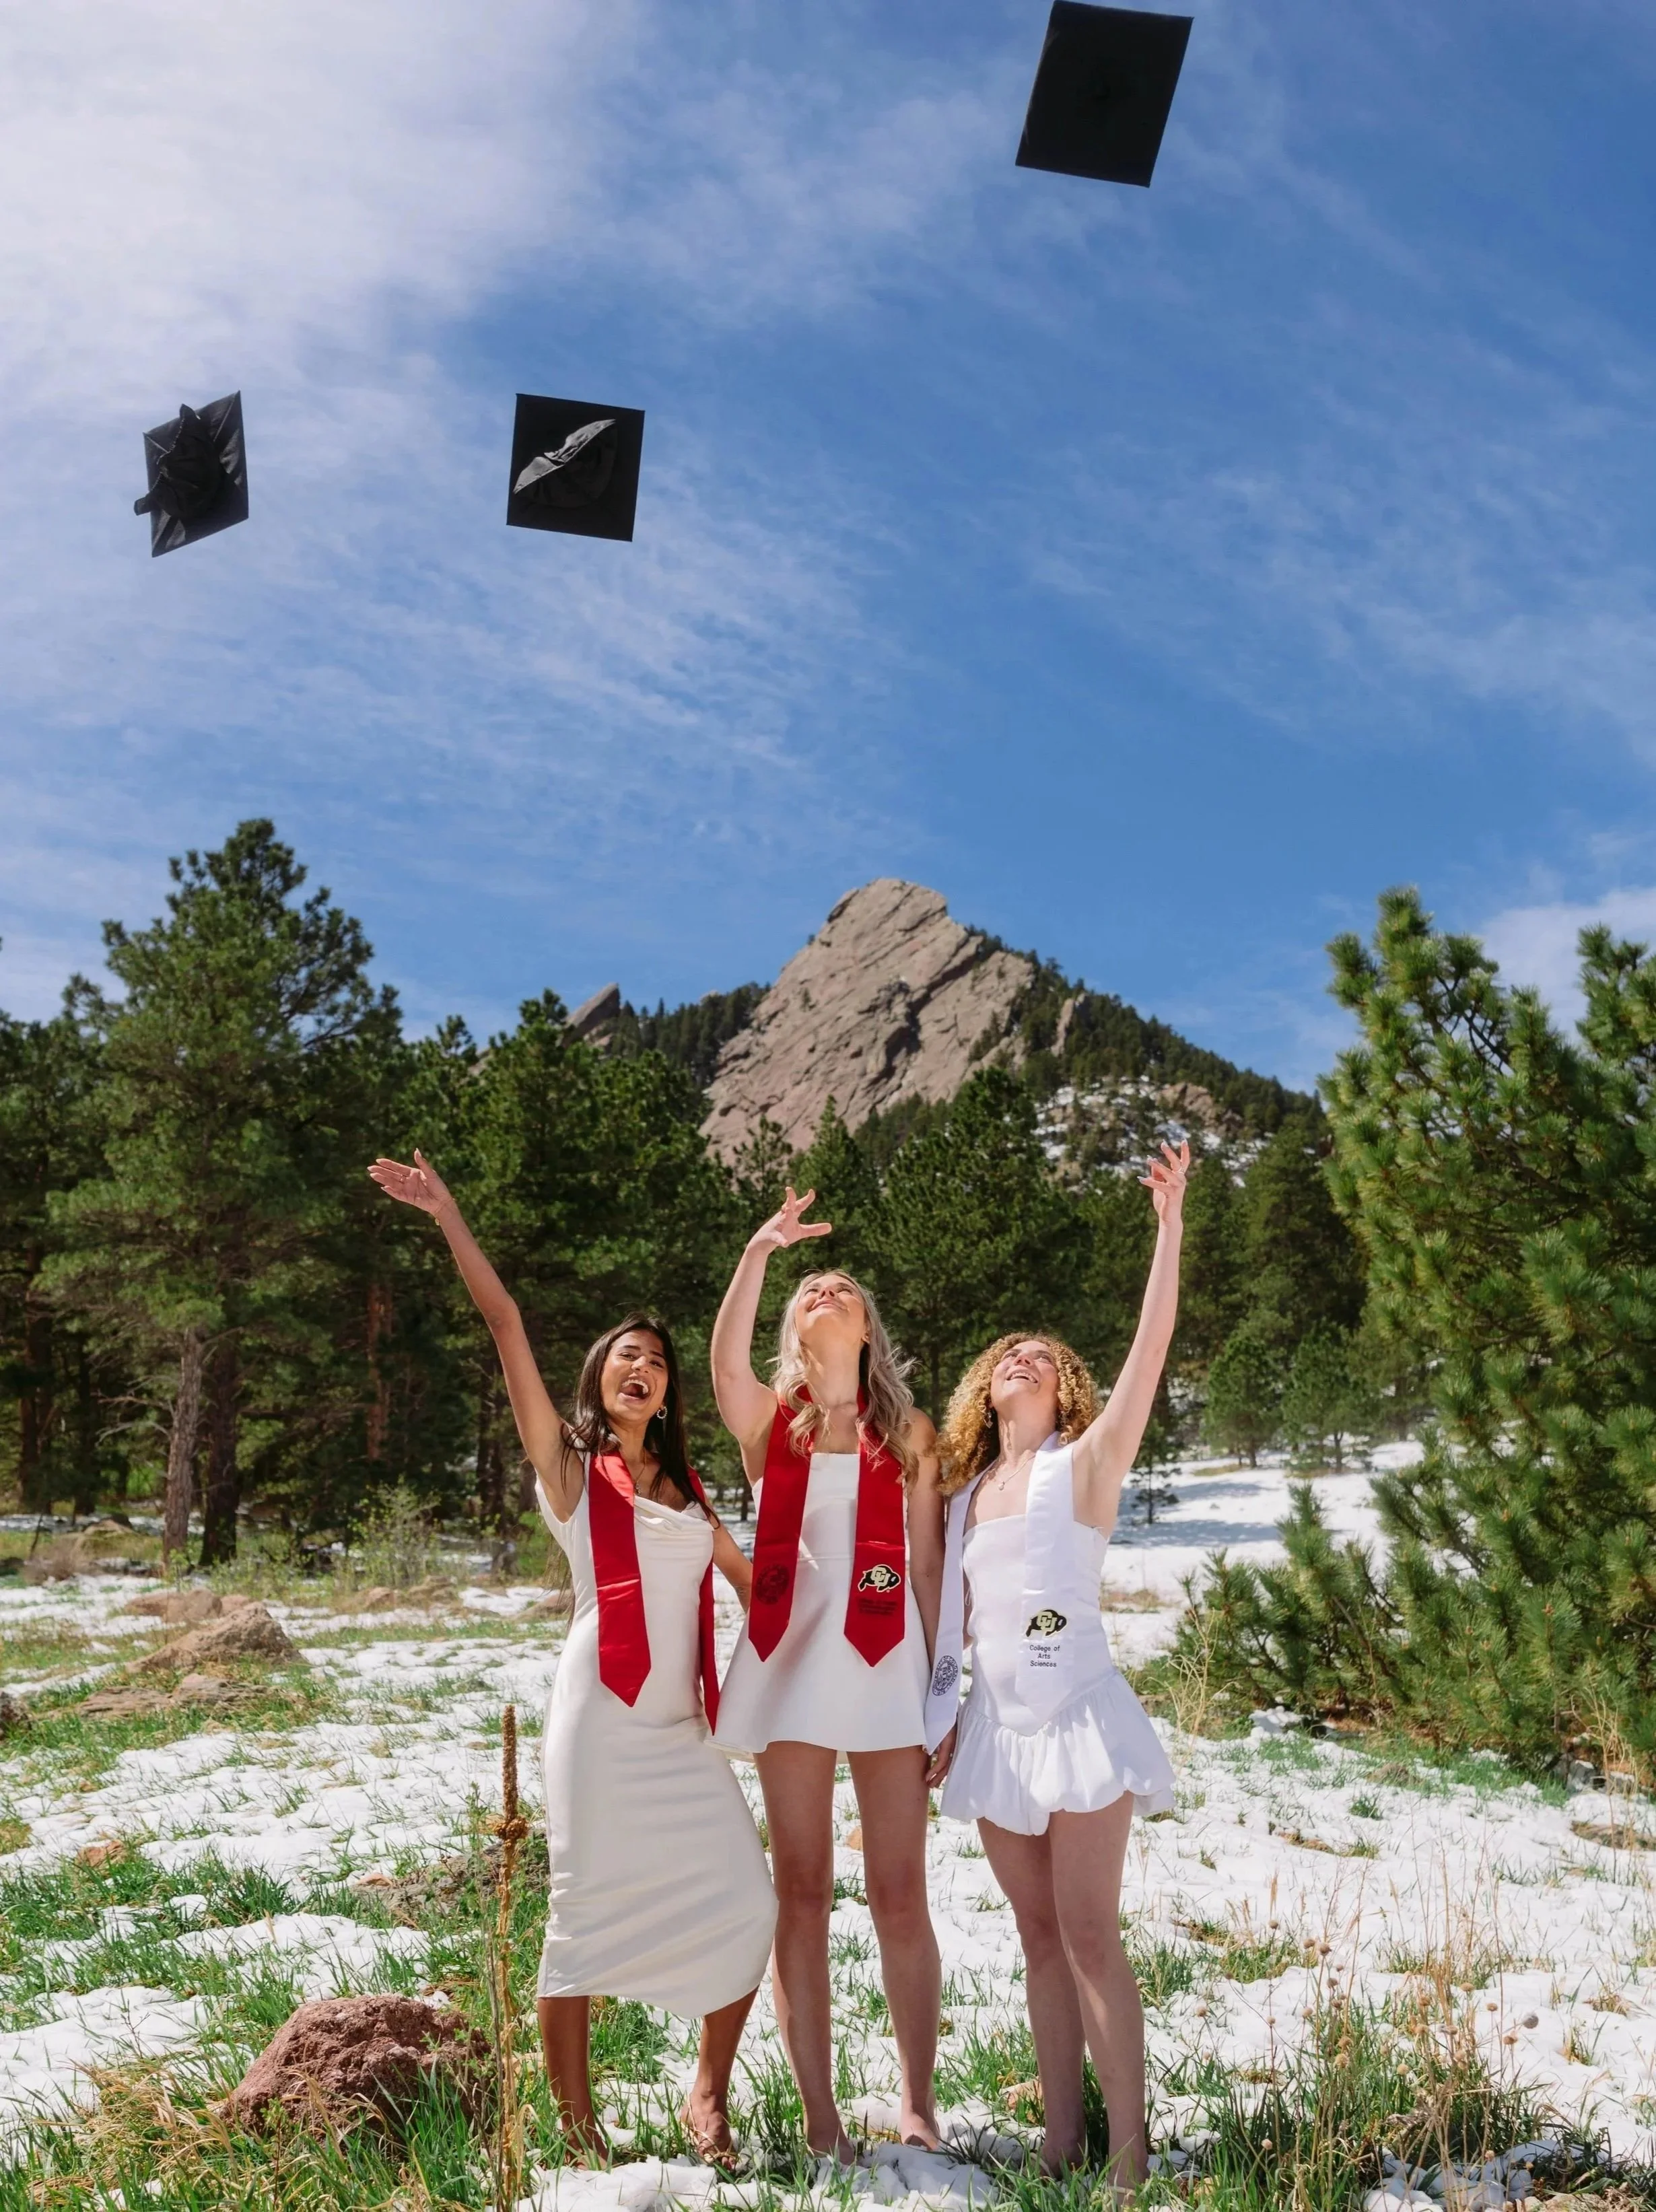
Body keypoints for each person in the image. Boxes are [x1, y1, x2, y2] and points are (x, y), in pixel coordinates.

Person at [368, 1149, 775, 2168]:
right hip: (597, 1716)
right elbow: (506, 1320)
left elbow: (758, 1586)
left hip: (681, 1727)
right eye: (626, 1356)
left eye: (658, 1361)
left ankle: (708, 2094)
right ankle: (576, 2123)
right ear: (599, 1375)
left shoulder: (689, 1490)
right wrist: (447, 1211)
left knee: (748, 1898)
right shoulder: (570, 1471)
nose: (643, 1368)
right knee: (583, 1908)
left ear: (669, 1388)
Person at [924, 1140, 1189, 2188]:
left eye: (1041, 1353)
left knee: (1087, 1932)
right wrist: (936, 1723)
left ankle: (1128, 2158)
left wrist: (1168, 1228)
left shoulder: (1087, 1464)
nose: (1022, 1357)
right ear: (985, 1390)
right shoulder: (961, 1496)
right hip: (995, 1732)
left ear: (1064, 1385)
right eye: (1008, 1353)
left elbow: (1150, 1356)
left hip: (1078, 1716)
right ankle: (1060, 2143)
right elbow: (946, 1626)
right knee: (1037, 1936)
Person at [710, 1189, 944, 2159]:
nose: (824, 1288)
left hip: (890, 1672)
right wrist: (760, 1251)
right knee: (802, 1888)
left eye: (841, 1284)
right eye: (809, 1287)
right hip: (796, 1668)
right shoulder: (774, 1423)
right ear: (795, 1330)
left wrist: (943, 1697)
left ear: (867, 1328)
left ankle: (918, 2102)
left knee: (900, 1890)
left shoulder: (912, 1434)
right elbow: (725, 1363)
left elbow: (927, 1569)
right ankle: (821, 2115)